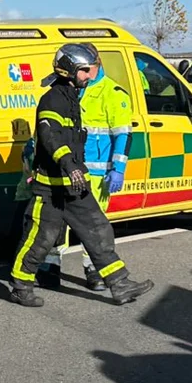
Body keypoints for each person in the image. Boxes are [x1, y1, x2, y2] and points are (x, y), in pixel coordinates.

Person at [8, 43, 156, 308]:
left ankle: (119, 283)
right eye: (85, 70)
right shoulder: (53, 99)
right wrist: (68, 163)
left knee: (98, 229)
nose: (90, 75)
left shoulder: (73, 96)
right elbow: (49, 135)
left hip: (74, 185)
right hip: (52, 188)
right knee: (41, 238)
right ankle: (20, 286)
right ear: (69, 70)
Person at [34, 51, 134, 292]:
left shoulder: (112, 93)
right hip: (64, 169)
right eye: (84, 69)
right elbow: (49, 130)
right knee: (56, 223)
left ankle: (95, 272)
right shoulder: (69, 89)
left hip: (96, 173)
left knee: (92, 226)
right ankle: (50, 268)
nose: (88, 73)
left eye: (91, 67)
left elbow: (123, 134)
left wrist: (118, 168)